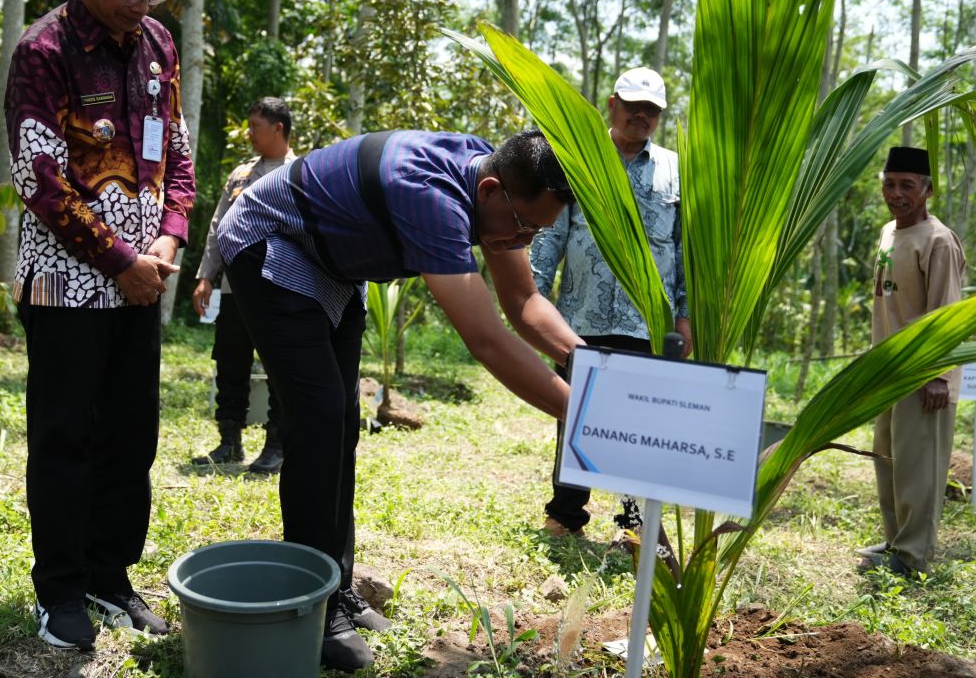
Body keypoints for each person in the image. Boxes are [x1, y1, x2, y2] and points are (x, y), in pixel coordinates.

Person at [217, 129, 582, 672]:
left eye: (538, 230)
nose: (523, 239)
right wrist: (587, 417)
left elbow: (524, 300)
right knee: (318, 419)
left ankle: (336, 589)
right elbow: (485, 339)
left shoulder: (500, 184)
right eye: (525, 226)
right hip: (273, 241)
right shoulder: (432, 197)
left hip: (335, 264)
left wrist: (601, 375)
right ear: (489, 192)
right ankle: (313, 609)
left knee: (342, 423)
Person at [5, 0, 195, 651]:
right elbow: (39, 177)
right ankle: (59, 591)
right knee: (65, 435)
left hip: (145, 278)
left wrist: (170, 245)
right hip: (69, 282)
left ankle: (109, 575)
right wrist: (122, 260)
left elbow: (178, 155)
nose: (140, 4)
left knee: (130, 434)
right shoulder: (44, 50)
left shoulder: (157, 45)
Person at [530, 67, 690, 538]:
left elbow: (682, 250)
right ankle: (565, 516)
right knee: (576, 413)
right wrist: (534, 306)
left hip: (647, 321)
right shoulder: (578, 160)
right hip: (580, 318)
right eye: (634, 105)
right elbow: (548, 237)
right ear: (612, 104)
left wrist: (683, 316)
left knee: (639, 425)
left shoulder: (674, 170)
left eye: (652, 110)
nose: (642, 115)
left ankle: (635, 524)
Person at [857, 147, 964, 577]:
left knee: (920, 467)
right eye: (889, 183)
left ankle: (914, 555)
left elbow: (948, 311)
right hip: (888, 371)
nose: (896, 193)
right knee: (889, 460)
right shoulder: (888, 233)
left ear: (927, 191)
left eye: (907, 185)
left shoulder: (938, 241)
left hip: (924, 377)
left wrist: (939, 375)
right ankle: (896, 540)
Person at [191, 98, 296, 474]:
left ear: (278, 128)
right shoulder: (240, 175)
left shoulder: (300, 172)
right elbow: (219, 227)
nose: (249, 133)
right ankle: (229, 441)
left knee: (278, 366)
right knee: (230, 360)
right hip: (237, 289)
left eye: (255, 125)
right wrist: (206, 276)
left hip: (280, 287)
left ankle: (277, 444)